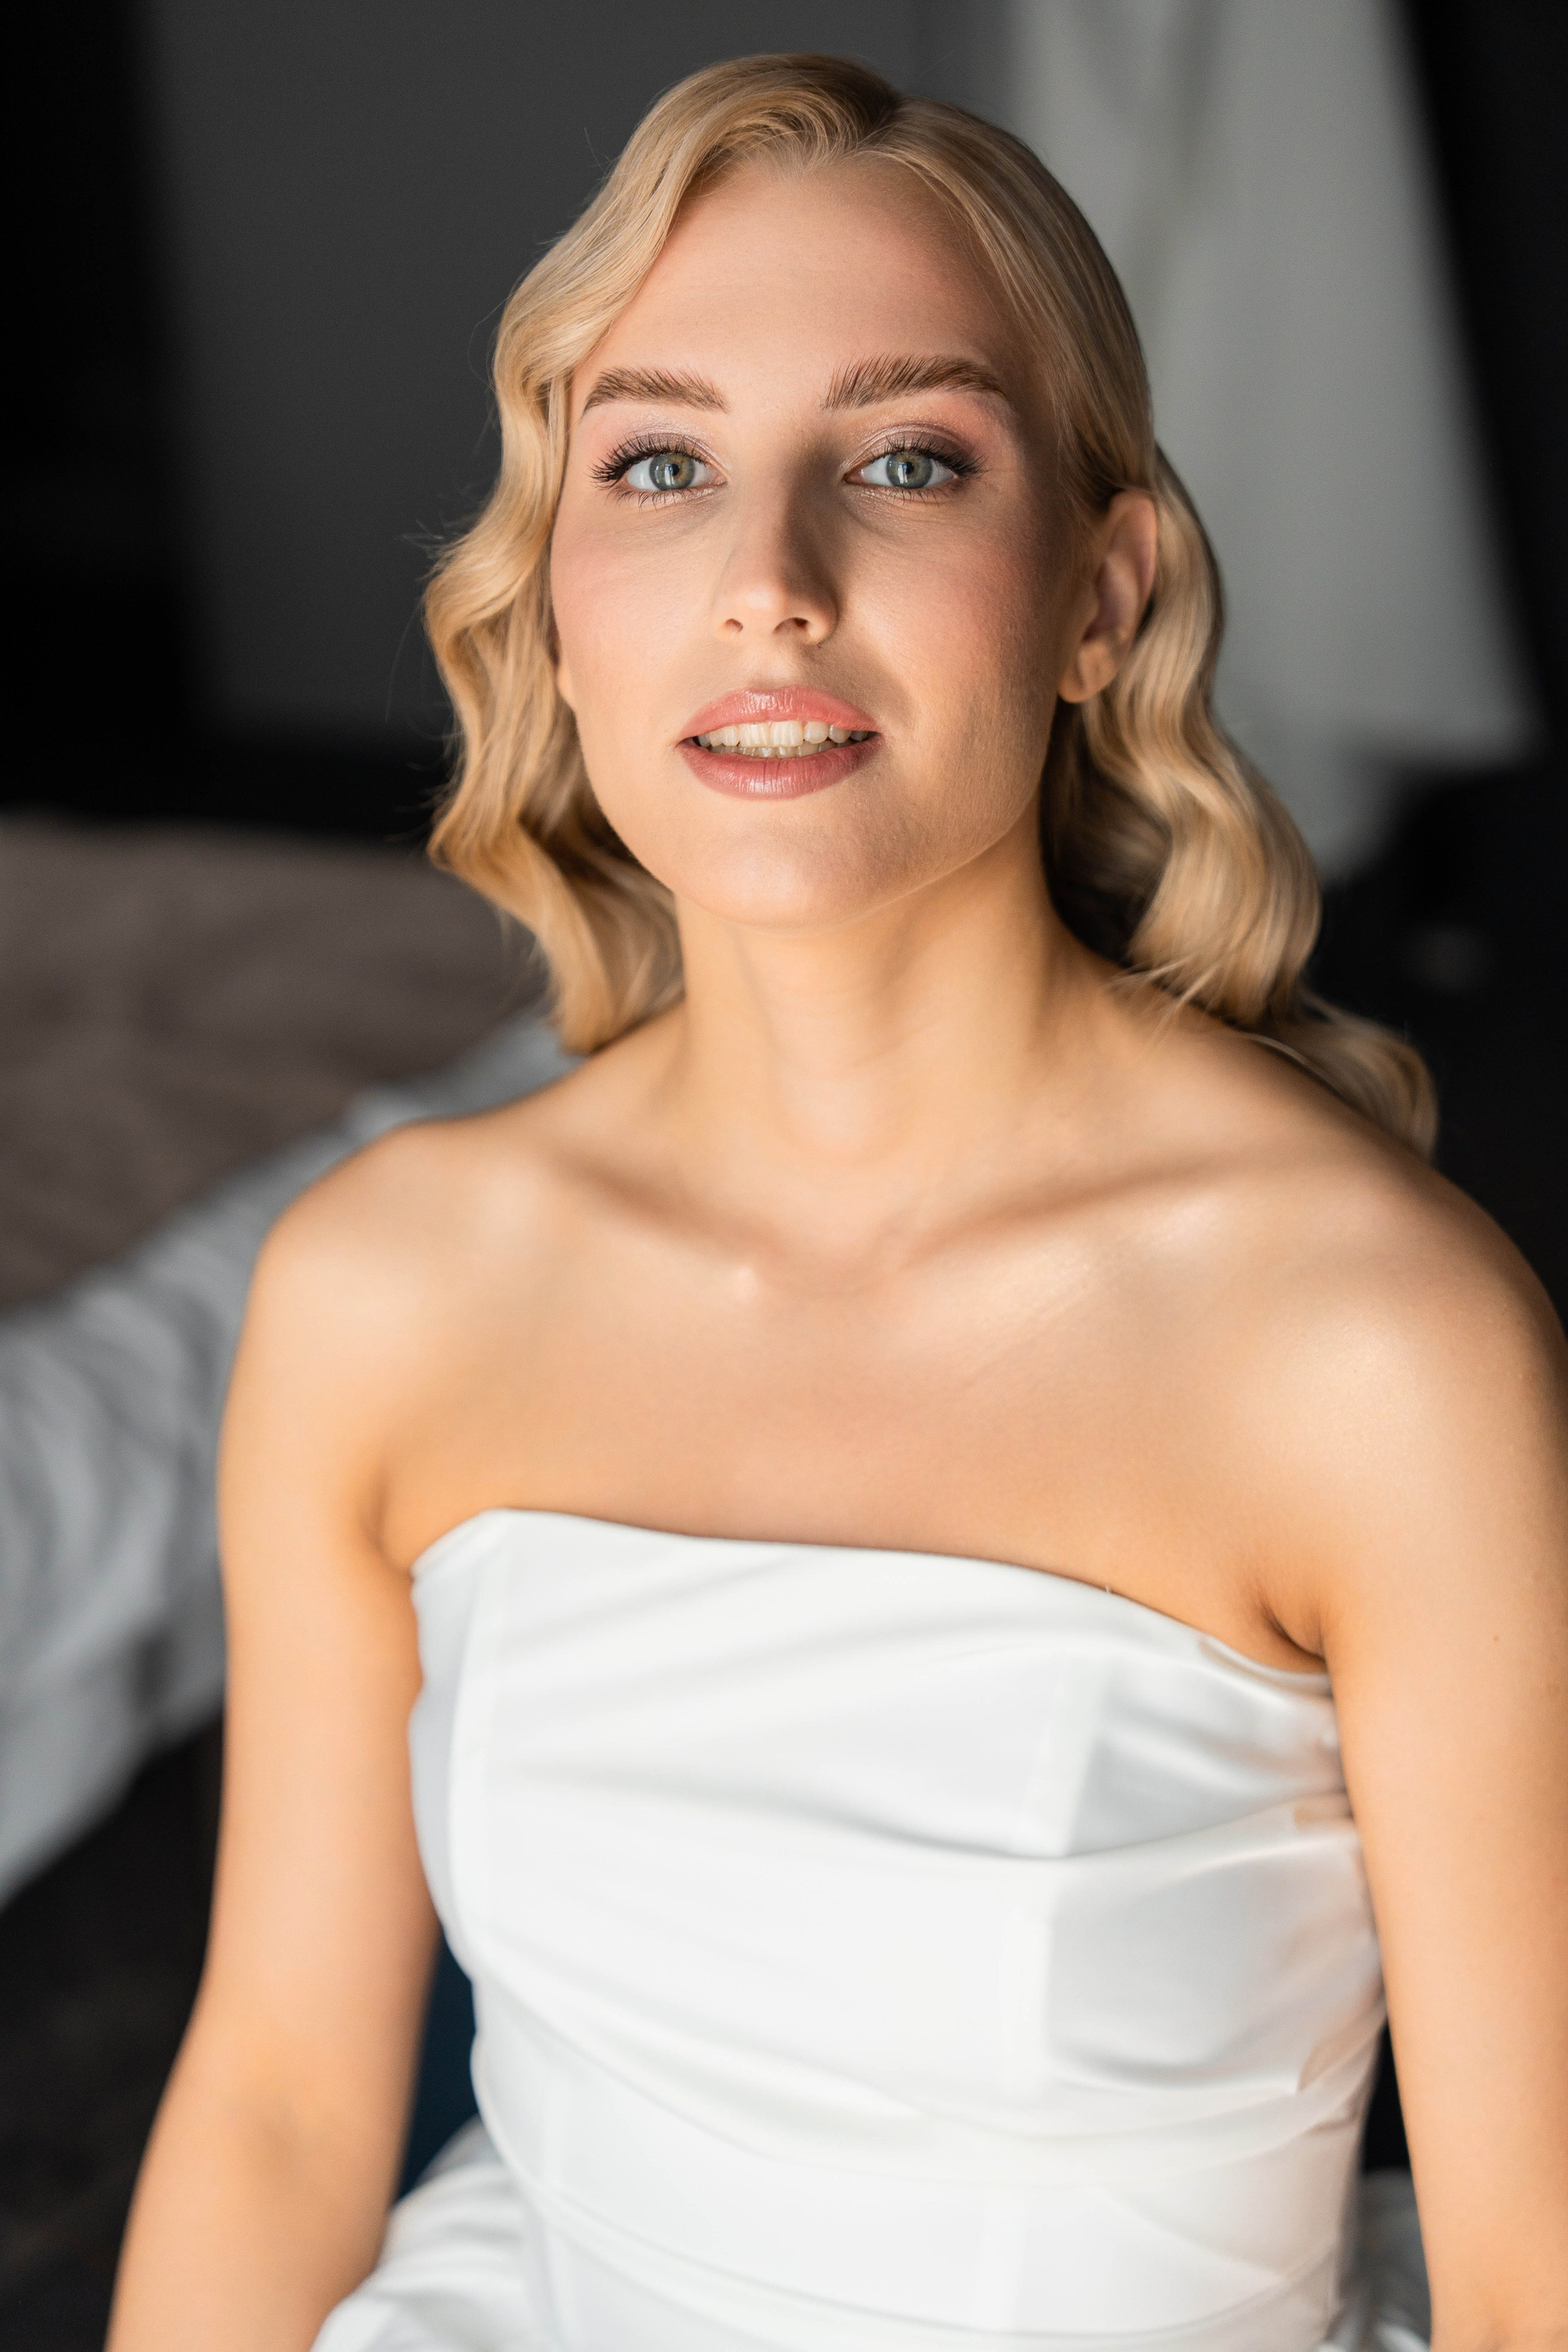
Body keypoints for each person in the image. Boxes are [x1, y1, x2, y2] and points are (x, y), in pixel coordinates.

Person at [108, 55, 1567, 2352]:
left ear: (1101, 595)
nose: (769, 587)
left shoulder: (1372, 1347)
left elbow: (1533, 2274)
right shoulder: (386, 1283)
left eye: (904, 463)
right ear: (556, 603)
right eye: (659, 467)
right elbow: (285, 2102)